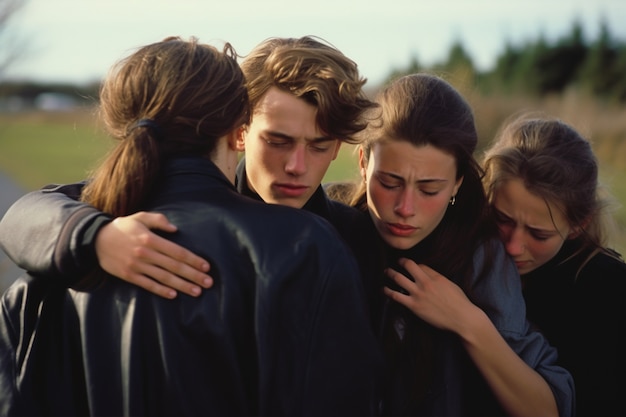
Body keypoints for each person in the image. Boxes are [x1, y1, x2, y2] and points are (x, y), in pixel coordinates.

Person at [0, 36, 383, 416]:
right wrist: (95, 238)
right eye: (278, 141)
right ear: (239, 130)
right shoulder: (99, 222)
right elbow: (23, 215)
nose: (297, 166)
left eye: (318, 146)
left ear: (339, 148)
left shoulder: (355, 236)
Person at [336, 73, 574, 416]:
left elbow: (547, 409)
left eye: (430, 190)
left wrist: (467, 321)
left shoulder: (481, 258)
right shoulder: (329, 224)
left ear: (458, 183)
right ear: (362, 162)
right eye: (390, 182)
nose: (405, 208)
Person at [481, 114, 626, 417]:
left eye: (539, 234)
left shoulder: (609, 292)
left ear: (577, 225)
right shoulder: (466, 252)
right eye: (503, 219)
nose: (513, 246)